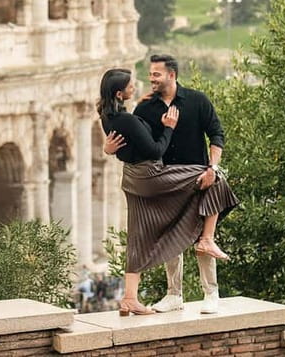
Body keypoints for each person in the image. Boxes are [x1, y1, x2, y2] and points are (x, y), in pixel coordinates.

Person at [98, 66, 239, 316]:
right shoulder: (133, 115)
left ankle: (129, 298)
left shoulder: (108, 114)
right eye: (132, 84)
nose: (141, 83)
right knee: (215, 178)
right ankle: (206, 241)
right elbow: (154, 150)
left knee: (138, 237)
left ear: (171, 75)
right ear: (120, 94)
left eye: (154, 75)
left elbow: (123, 145)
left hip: (132, 180)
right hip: (152, 176)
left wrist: (109, 149)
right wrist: (170, 127)